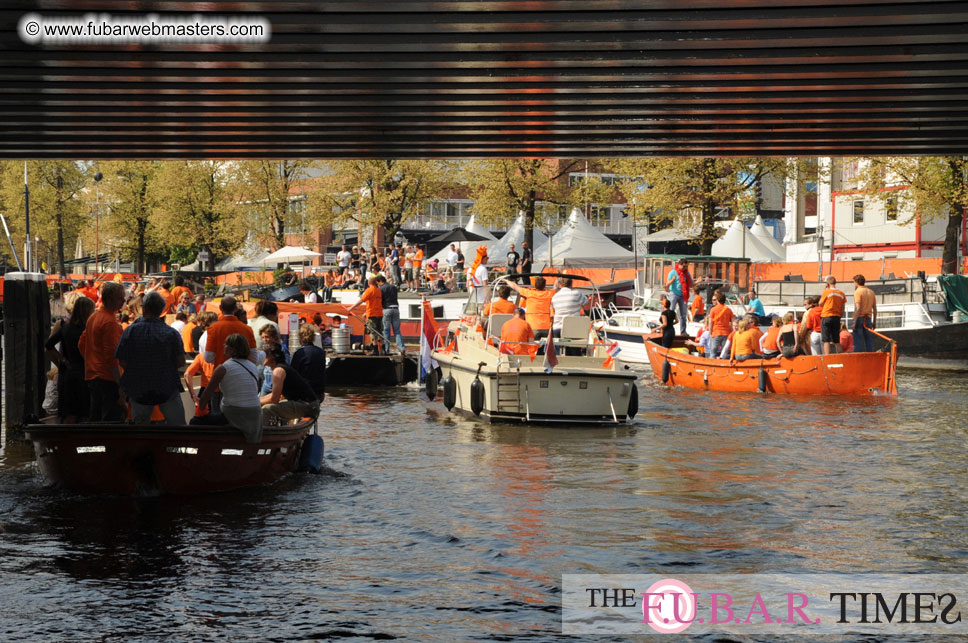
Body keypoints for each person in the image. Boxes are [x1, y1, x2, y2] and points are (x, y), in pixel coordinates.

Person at [115, 291, 187, 425]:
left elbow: (122, 360)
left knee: (140, 428)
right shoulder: (171, 333)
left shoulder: (131, 331)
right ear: (161, 310)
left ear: (144, 309)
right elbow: (180, 361)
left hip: (139, 387)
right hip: (167, 386)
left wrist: (138, 370)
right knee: (178, 427)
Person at [197, 333, 264, 443]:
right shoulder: (253, 367)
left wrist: (200, 412)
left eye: (226, 344)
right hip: (255, 415)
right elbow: (255, 390)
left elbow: (206, 395)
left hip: (233, 414)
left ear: (233, 349)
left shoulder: (223, 368)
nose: (224, 346)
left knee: (195, 422)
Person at [78, 281, 126, 422]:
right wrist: (120, 383)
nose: (124, 300)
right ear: (110, 299)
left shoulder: (93, 317)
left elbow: (81, 343)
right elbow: (112, 356)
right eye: (120, 297)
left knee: (96, 418)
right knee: (111, 421)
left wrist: (91, 361)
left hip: (93, 375)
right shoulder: (110, 322)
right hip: (108, 378)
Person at [45, 294, 95, 423]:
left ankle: (66, 439)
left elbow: (48, 345)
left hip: (68, 372)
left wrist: (61, 360)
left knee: (68, 412)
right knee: (85, 411)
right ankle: (84, 439)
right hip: (84, 372)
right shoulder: (88, 329)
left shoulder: (65, 327)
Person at [260, 345, 319, 423]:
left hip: (308, 406)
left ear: (272, 356)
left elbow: (274, 399)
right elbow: (276, 395)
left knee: (266, 409)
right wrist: (257, 400)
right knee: (267, 406)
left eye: (264, 355)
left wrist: (256, 403)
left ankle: (263, 433)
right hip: (310, 404)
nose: (261, 357)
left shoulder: (279, 371)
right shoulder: (282, 368)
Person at [204, 295, 258, 368]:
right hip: (243, 372)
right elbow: (254, 357)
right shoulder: (247, 329)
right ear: (236, 308)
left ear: (220, 308)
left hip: (222, 372)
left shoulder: (213, 328)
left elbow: (208, 357)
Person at [348, 276, 385, 355]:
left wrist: (351, 308)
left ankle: (375, 350)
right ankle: (383, 350)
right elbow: (375, 303)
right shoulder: (378, 290)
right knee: (379, 332)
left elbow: (361, 300)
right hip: (379, 313)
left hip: (372, 314)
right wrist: (365, 312)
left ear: (368, 283)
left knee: (372, 332)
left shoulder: (369, 290)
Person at [291, 323, 327, 400]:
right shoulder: (321, 352)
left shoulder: (299, 353)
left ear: (300, 337)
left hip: (304, 393)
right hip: (319, 392)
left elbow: (293, 374)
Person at [377, 275, 406, 354]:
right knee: (397, 330)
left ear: (380, 281)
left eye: (378, 283)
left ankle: (386, 349)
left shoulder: (381, 289)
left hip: (387, 309)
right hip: (396, 309)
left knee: (386, 330)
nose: (378, 285)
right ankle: (401, 348)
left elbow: (380, 300)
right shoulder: (393, 287)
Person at [818, 276, 847, 354]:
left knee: (826, 340)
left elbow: (820, 303)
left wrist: (824, 291)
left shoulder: (826, 292)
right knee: (836, 340)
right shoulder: (842, 293)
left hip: (826, 316)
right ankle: (840, 356)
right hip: (837, 317)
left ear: (828, 283)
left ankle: (827, 357)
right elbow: (843, 307)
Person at [259, 324, 290, 395]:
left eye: (267, 337)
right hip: (266, 383)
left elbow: (287, 365)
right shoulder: (265, 348)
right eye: (262, 337)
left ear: (273, 337)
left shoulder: (282, 349)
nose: (264, 340)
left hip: (277, 383)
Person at [664, 257, 692, 334]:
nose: (685, 268)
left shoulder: (687, 273)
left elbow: (691, 284)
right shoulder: (673, 272)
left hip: (683, 295)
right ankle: (668, 329)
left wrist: (698, 282)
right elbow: (666, 284)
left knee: (683, 314)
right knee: (671, 312)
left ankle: (683, 332)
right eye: (683, 266)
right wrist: (672, 280)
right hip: (674, 294)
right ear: (679, 265)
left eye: (686, 266)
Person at [705, 290, 734, 359]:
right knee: (724, 353)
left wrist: (710, 333)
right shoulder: (728, 310)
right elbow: (733, 322)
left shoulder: (713, 309)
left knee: (713, 353)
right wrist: (731, 331)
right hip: (726, 333)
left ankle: (712, 367)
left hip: (716, 332)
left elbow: (710, 322)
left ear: (717, 300)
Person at [852, 274, 877, 352]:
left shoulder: (858, 292)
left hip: (859, 318)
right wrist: (874, 321)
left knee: (857, 341)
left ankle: (857, 359)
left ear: (856, 282)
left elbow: (858, 308)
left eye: (854, 282)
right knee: (869, 341)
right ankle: (870, 358)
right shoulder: (871, 292)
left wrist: (854, 322)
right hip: (868, 318)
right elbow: (875, 309)